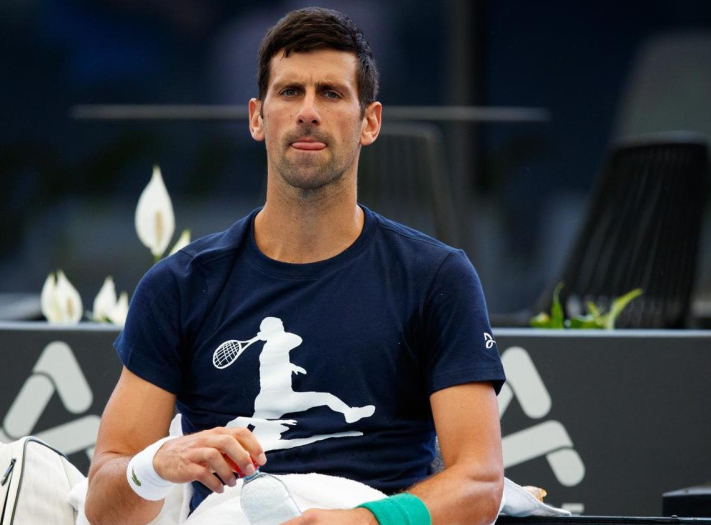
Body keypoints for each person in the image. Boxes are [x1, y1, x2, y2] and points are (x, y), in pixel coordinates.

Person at [85, 7, 504, 525]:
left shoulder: (436, 278)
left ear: (369, 121)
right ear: (257, 117)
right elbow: (104, 507)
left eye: (330, 93)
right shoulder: (180, 285)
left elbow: (481, 483)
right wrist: (156, 463)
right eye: (290, 92)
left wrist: (366, 522)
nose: (308, 111)